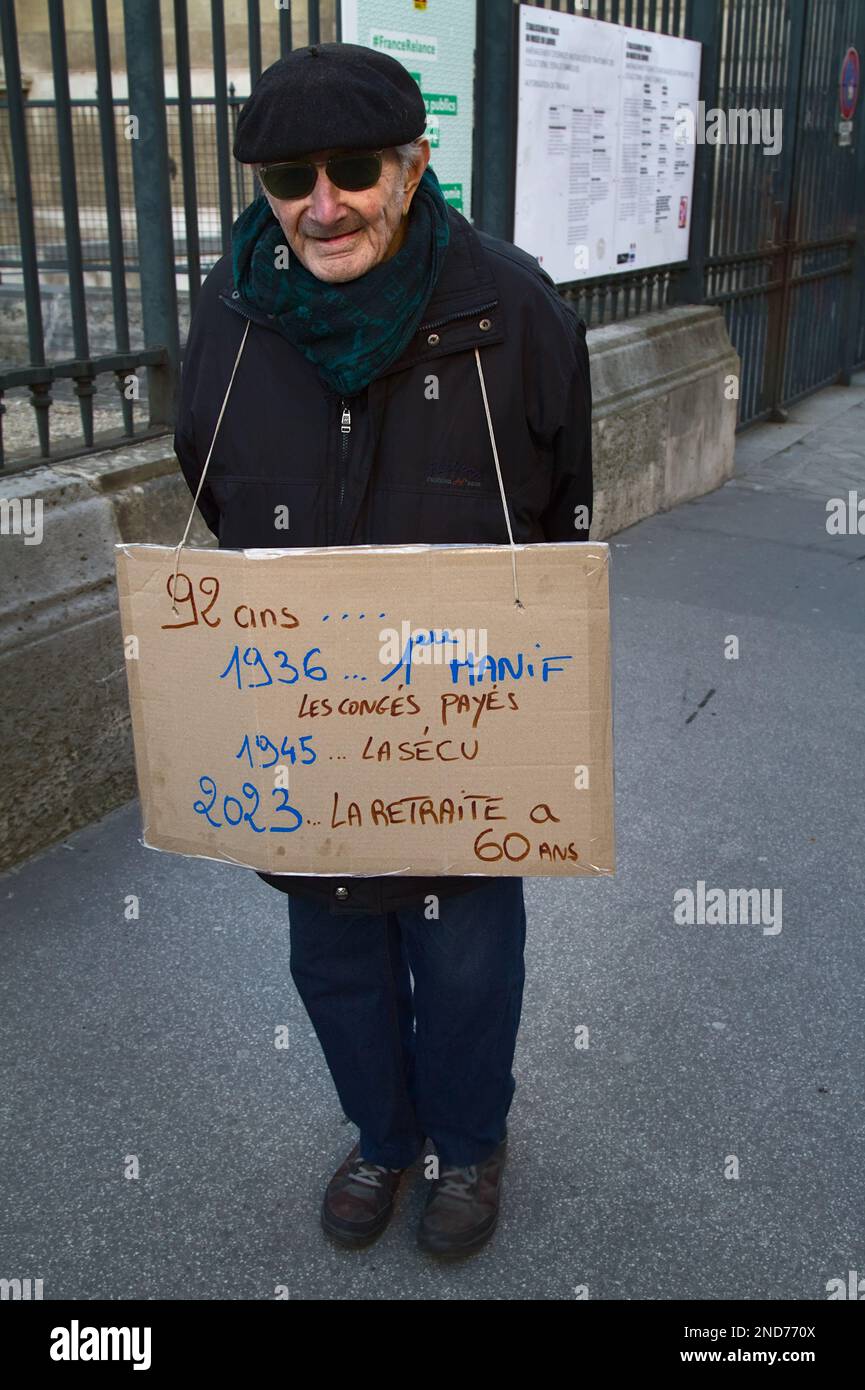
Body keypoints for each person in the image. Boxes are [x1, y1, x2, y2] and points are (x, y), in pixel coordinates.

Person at [174, 42, 592, 1259]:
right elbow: (204, 471)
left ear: (413, 168)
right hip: (304, 722)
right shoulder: (234, 313)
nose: (321, 202)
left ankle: (468, 1148)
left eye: (353, 169)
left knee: (463, 958)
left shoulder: (511, 306)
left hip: (463, 719)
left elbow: (565, 507)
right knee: (335, 955)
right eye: (287, 178)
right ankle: (381, 1134)